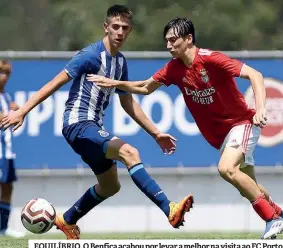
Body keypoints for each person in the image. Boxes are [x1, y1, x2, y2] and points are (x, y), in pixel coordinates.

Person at [0, 7, 193, 239]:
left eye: (125, 28)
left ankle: (67, 220)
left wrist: (156, 133)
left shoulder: (120, 63)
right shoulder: (90, 55)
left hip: (93, 128)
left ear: (129, 31)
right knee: (130, 153)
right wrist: (23, 111)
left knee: (110, 185)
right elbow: (54, 83)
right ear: (106, 27)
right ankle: (169, 208)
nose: (120, 32)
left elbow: (128, 104)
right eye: (115, 27)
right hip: (78, 124)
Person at [86, 17, 283, 239]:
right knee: (248, 186)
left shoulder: (211, 59)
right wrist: (115, 83)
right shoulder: (173, 69)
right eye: (166, 41)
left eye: (173, 40)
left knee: (226, 168)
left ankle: (271, 219)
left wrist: (260, 109)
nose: (168, 46)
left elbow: (255, 75)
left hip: (241, 124)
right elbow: (145, 87)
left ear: (189, 39)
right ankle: (279, 214)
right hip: (221, 137)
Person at [0, 60, 25, 238]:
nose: (4, 77)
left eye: (7, 73)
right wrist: (13, 114)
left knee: (7, 187)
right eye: (1, 72)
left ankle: (3, 227)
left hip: (6, 151)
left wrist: (16, 111)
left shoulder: (6, 97)